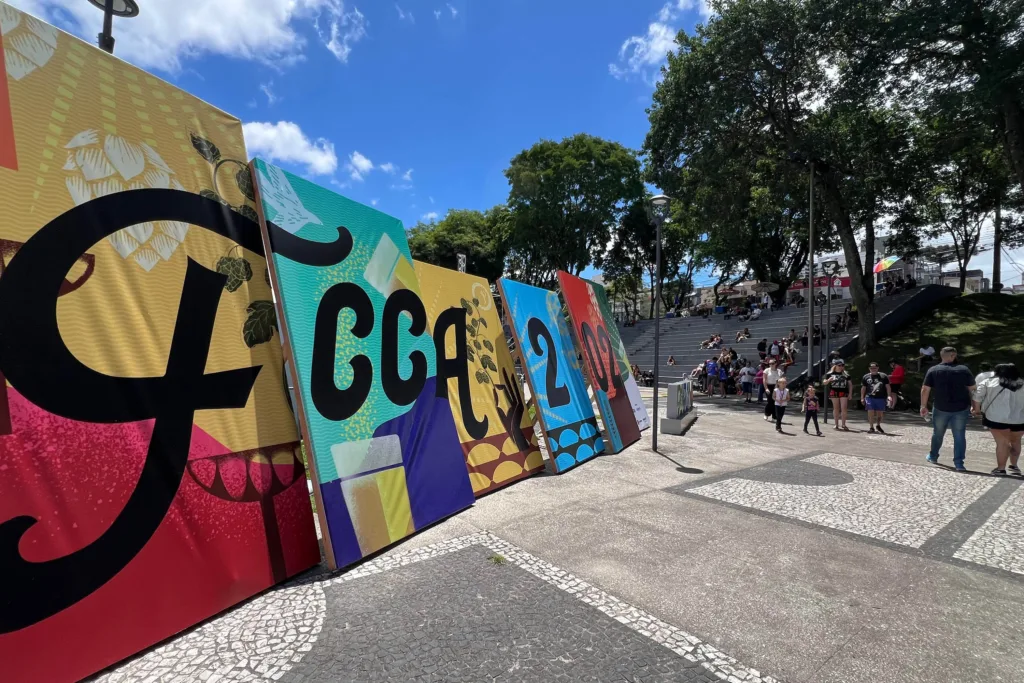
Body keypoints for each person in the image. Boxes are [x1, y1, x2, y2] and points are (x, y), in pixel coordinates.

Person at [921, 347, 976, 472]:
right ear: (953, 355)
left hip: (940, 407)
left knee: (938, 433)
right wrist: (974, 405)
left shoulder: (933, 370)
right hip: (961, 407)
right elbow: (972, 389)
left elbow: (925, 389)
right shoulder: (964, 370)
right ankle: (959, 463)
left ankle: (933, 456)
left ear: (941, 356)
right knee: (959, 435)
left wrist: (923, 406)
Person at [973, 363, 1024, 476]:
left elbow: (977, 397)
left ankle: (1001, 469)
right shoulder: (1022, 383)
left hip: (996, 418)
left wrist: (976, 410)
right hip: (1019, 419)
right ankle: (1014, 466)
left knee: (1002, 443)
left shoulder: (988, 382)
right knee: (1016, 441)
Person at [861, 361, 893, 434]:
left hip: (881, 397)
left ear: (878, 368)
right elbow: (863, 388)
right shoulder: (866, 377)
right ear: (869, 369)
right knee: (870, 411)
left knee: (880, 413)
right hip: (869, 397)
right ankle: (871, 427)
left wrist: (889, 396)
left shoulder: (883, 376)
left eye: (875, 368)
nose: (873, 369)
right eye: (871, 368)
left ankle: (878, 425)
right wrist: (862, 397)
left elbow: (888, 387)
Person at [823, 360, 851, 430]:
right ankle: (836, 424)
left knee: (844, 408)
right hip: (834, 391)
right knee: (836, 408)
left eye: (842, 365)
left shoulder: (846, 374)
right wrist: (829, 380)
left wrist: (850, 394)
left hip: (844, 391)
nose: (841, 367)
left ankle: (843, 424)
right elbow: (824, 383)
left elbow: (850, 384)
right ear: (835, 366)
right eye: (839, 365)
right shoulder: (830, 374)